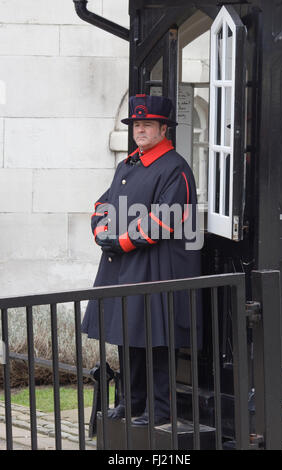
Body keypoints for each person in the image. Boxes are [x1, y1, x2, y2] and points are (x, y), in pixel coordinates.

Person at [82, 94, 202, 426]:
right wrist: (101, 230)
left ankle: (160, 409)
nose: (140, 130)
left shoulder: (175, 168)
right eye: (136, 124)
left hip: (157, 267)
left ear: (164, 128)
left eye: (147, 124)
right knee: (126, 336)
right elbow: (102, 204)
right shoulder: (127, 164)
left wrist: (119, 240)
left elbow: (165, 220)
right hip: (125, 266)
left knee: (156, 342)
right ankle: (132, 404)